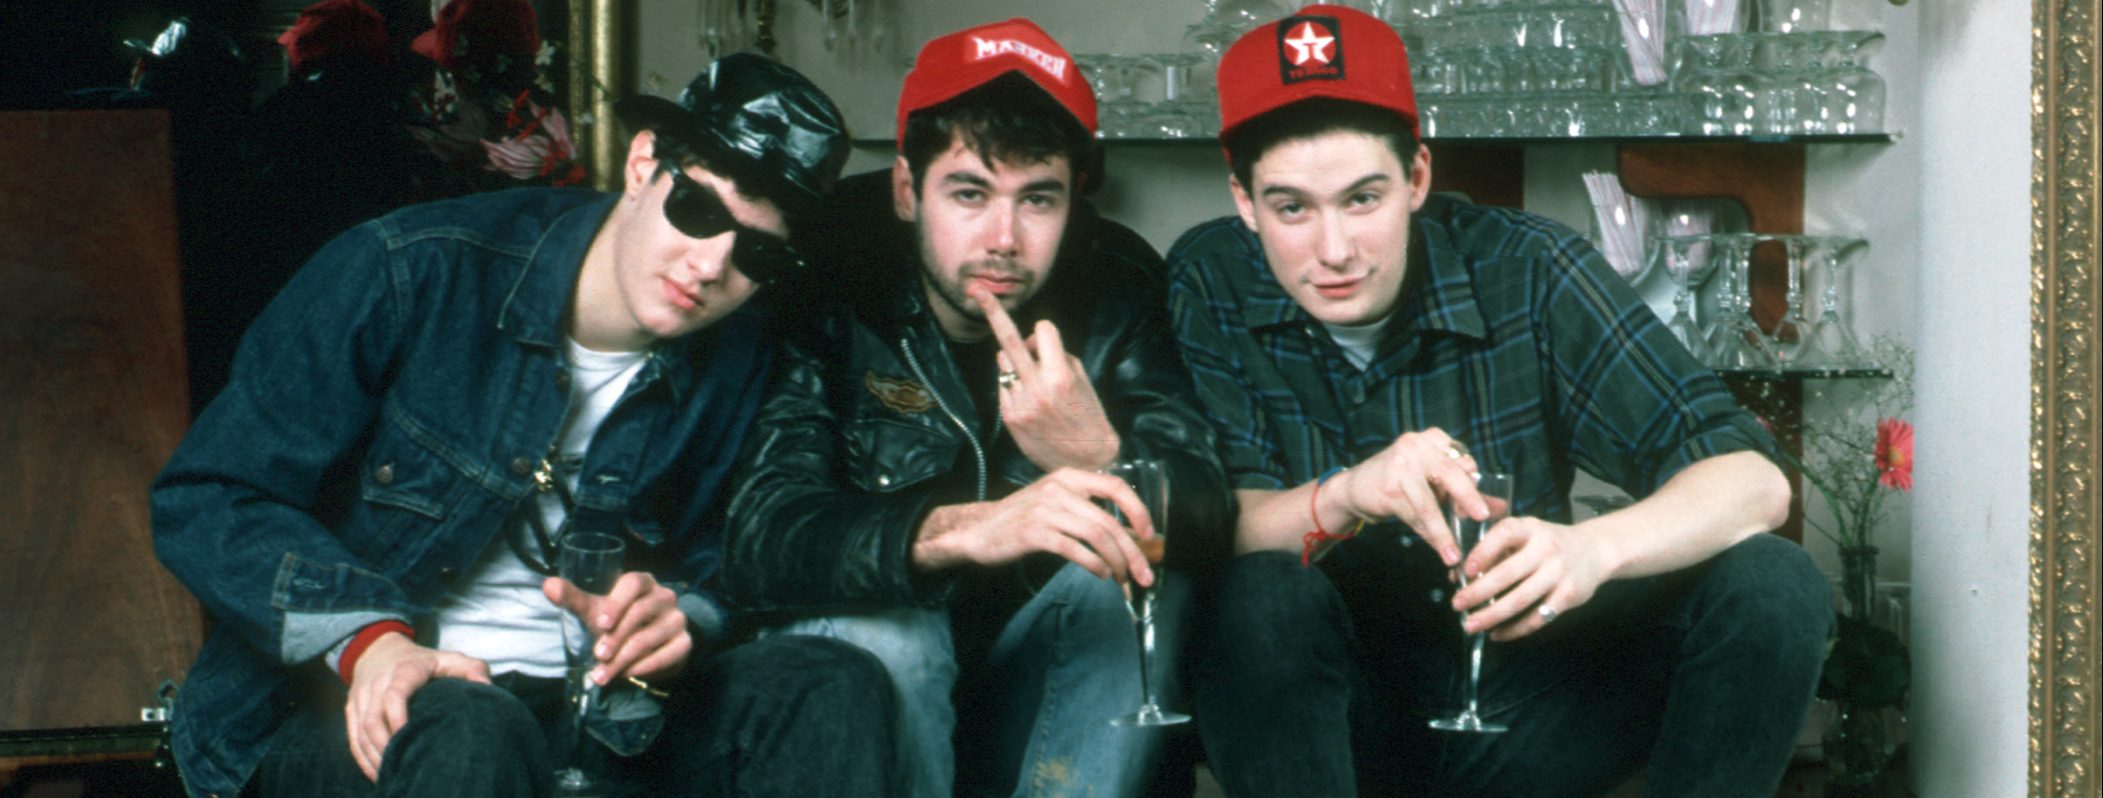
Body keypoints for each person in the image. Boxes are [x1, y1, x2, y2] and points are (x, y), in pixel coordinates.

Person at [151, 53, 895, 798]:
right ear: (643, 165)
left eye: (757, 252)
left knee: (830, 681)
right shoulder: (410, 271)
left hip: (597, 721)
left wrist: (682, 618)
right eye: (696, 211)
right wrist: (369, 644)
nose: (709, 265)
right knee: (474, 729)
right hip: (365, 708)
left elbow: (728, 560)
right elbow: (209, 494)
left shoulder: (743, 352)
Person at [1163, 6, 1833, 796]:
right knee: (1258, 591)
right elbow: (1207, 531)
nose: (1333, 249)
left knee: (1775, 581)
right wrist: (1344, 495)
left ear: (1416, 177)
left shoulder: (1529, 267)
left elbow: (1754, 482)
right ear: (1243, 202)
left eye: (1362, 199)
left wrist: (1593, 550)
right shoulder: (1210, 277)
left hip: (1531, 700)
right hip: (1333, 715)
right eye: (1291, 209)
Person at [722, 18, 1233, 798]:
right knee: (889, 627)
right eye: (968, 193)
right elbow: (760, 536)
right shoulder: (827, 276)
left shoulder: (1116, 284)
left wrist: (1098, 458)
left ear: (1072, 202)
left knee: (1126, 570)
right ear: (905, 190)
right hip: (875, 687)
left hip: (1042, 680)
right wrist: (964, 531)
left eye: (1038, 200)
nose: (1003, 238)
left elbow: (1208, 515)